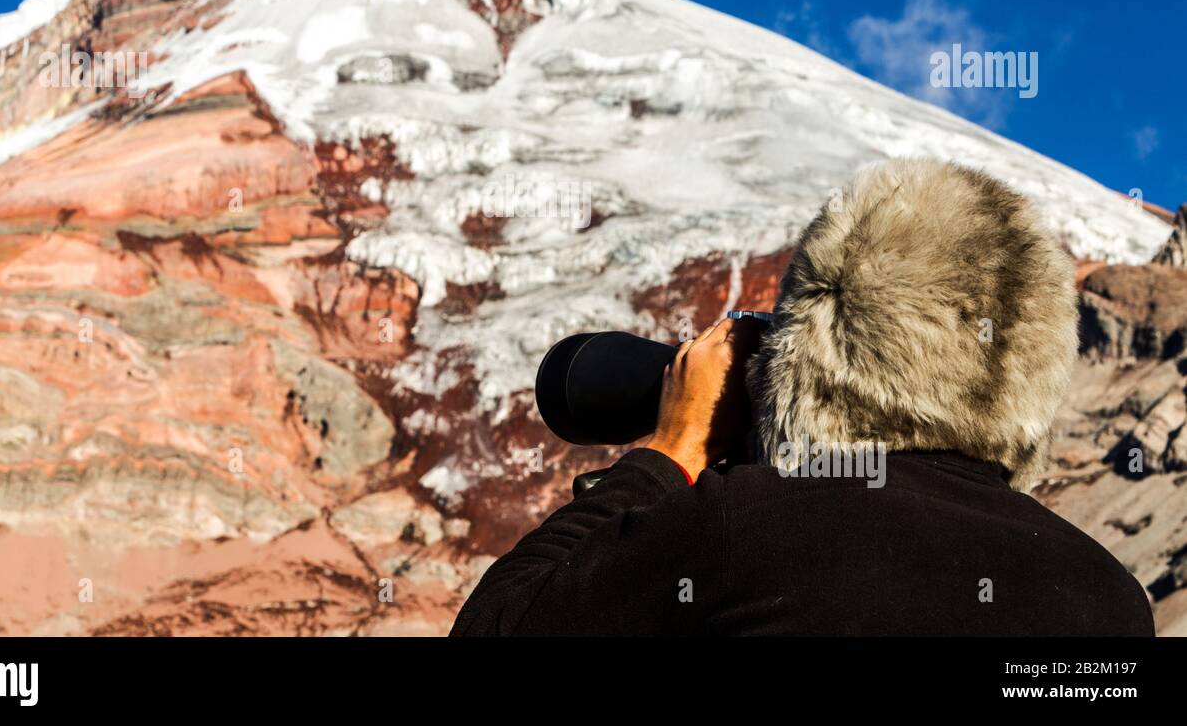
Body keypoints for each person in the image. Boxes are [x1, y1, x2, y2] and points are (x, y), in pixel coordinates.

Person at [450, 158, 1155, 636]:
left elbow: (497, 628)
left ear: (812, 347)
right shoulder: (1110, 599)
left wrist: (675, 448)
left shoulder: (741, 529)